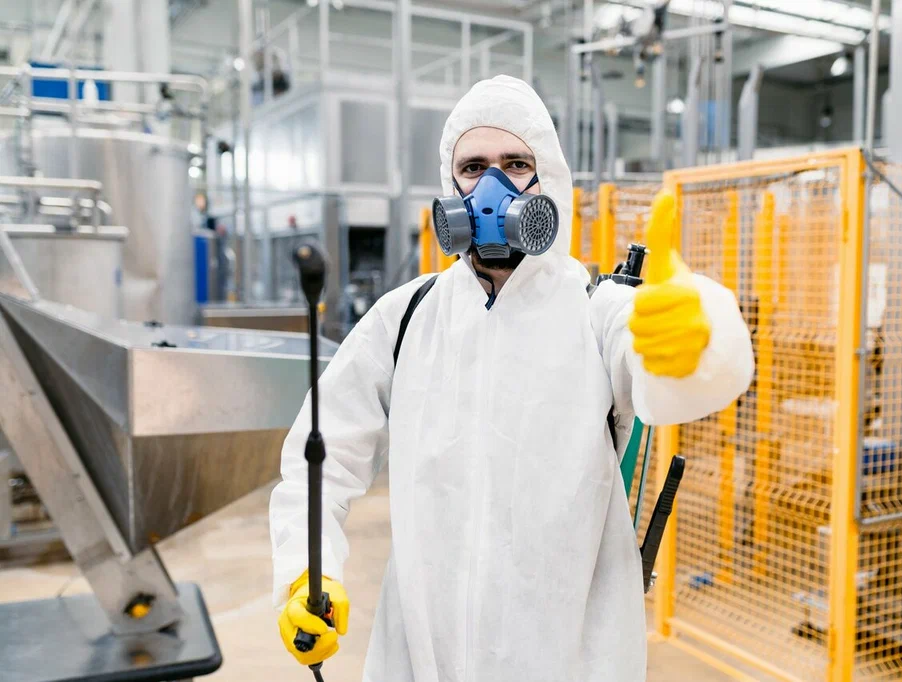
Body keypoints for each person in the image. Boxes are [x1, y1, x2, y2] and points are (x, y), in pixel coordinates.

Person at [271, 74, 754, 681]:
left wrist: (700, 332)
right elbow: (319, 458)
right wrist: (306, 572)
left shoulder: (596, 311)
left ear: (547, 178)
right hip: (421, 658)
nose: (492, 188)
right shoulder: (407, 318)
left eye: (516, 164)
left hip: (569, 662)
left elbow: (687, 383)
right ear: (449, 186)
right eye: (473, 168)